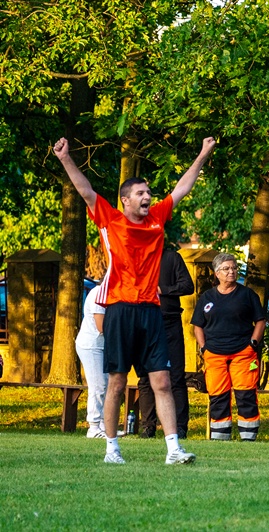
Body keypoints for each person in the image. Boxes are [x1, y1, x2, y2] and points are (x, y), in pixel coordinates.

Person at [54, 135, 215, 464]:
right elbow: (85, 191)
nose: (148, 197)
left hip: (151, 312)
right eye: (141, 193)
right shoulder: (110, 219)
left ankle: (173, 450)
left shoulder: (157, 218)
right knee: (116, 382)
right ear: (125, 200)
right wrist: (65, 158)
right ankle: (112, 449)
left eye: (149, 193)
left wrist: (202, 154)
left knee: (162, 381)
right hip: (119, 309)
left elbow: (182, 189)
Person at [191, 253, 267, 441]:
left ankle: (248, 439)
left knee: (246, 395)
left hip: (243, 353)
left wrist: (253, 343)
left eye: (234, 268)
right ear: (217, 273)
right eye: (226, 269)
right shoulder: (207, 297)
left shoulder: (247, 295)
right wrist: (203, 348)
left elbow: (260, 320)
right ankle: (220, 439)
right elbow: (197, 325)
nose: (231, 271)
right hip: (214, 354)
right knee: (218, 396)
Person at [138, 248, 194, 439]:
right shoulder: (135, 257)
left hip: (169, 321)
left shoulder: (171, 257)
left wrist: (164, 290)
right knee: (145, 377)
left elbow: (187, 285)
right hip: (143, 322)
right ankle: (148, 426)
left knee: (176, 376)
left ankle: (179, 427)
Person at [75, 284, 108, 439]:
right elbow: (101, 327)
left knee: (108, 385)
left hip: (104, 346)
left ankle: (104, 426)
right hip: (91, 345)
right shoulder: (98, 294)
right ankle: (93, 427)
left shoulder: (114, 293)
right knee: (98, 385)